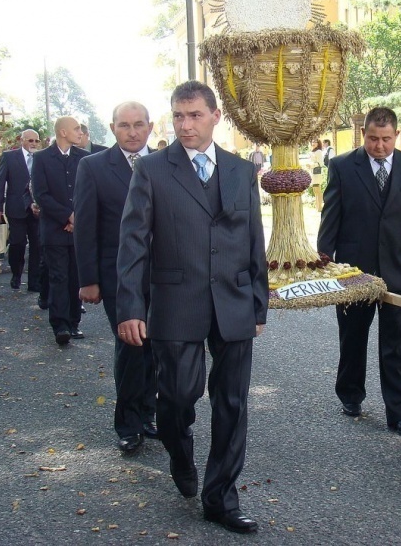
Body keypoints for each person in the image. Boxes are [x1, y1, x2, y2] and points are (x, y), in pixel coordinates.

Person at [117, 80, 268, 534]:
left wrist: (258, 305)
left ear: (215, 116)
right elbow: (132, 244)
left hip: (235, 302)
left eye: (195, 115)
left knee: (232, 404)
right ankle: (178, 451)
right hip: (175, 302)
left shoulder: (242, 171)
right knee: (179, 397)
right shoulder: (151, 170)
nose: (185, 125)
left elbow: (252, 241)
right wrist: (130, 307)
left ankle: (220, 497)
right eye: (179, 116)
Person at [318, 107, 401, 435]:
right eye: (372, 139)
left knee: (395, 342)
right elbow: (331, 219)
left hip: (399, 270)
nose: (379, 146)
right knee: (353, 337)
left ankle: (400, 412)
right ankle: (351, 394)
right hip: (353, 272)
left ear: (396, 135)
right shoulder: (341, 167)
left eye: (386, 139)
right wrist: (325, 263)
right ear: (362, 134)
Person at [74, 102, 157, 455]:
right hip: (117, 277)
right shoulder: (92, 167)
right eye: (125, 125)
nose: (133, 131)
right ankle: (128, 423)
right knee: (131, 345)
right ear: (112, 128)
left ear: (150, 127)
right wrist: (88, 279)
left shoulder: (168, 163)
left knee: (156, 347)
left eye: (139, 124)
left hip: (165, 276)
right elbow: (86, 228)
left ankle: (149, 413)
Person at [31, 117, 89, 346]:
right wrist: (67, 215)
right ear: (63, 132)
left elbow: (87, 191)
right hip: (54, 229)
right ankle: (60, 325)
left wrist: (77, 217)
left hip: (78, 229)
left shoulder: (84, 158)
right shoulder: (42, 158)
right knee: (58, 277)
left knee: (76, 277)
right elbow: (41, 194)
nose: (80, 132)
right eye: (76, 129)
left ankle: (74, 322)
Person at [0, 129, 42, 292]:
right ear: (22, 140)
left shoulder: (41, 158)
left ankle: (34, 281)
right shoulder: (9, 157)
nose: (33, 144)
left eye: (36, 141)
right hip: (16, 208)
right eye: (30, 140)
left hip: (36, 209)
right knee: (17, 243)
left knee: (37, 245)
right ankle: (16, 274)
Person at [309, 138, 324, 212]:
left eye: (315, 142)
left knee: (318, 189)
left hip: (317, 172)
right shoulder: (312, 151)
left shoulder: (318, 152)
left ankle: (320, 207)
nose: (313, 143)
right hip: (312, 172)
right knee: (315, 190)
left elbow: (321, 163)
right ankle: (317, 206)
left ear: (318, 143)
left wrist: (312, 165)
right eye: (312, 141)